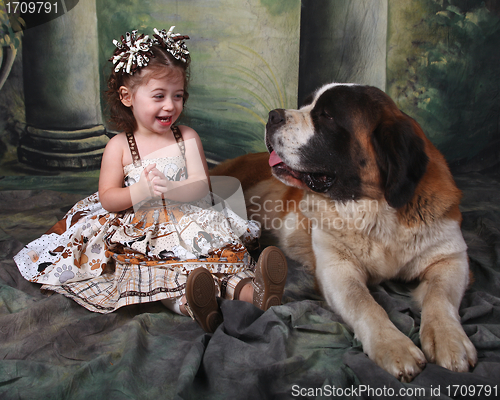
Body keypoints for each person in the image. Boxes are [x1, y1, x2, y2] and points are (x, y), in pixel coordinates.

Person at [13, 27, 288, 333]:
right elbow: (108, 198)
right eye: (159, 96)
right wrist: (140, 191)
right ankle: (195, 304)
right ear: (127, 97)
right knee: (164, 275)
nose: (170, 105)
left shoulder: (186, 137)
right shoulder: (119, 146)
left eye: (178, 96)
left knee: (219, 259)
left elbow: (200, 184)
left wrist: (172, 189)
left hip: (190, 221)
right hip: (143, 230)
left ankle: (255, 293)